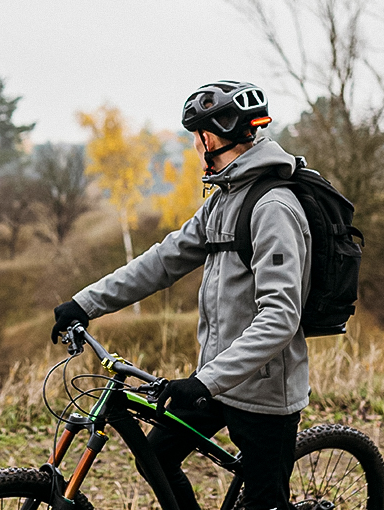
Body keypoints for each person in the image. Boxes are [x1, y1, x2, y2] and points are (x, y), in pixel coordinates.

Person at [51, 80, 312, 510]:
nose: (194, 146)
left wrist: (203, 381)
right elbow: (164, 260)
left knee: (266, 504)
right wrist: (85, 302)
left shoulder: (273, 209)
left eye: (195, 137)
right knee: (155, 457)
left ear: (209, 138)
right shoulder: (224, 199)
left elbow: (280, 318)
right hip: (216, 382)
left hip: (264, 394)